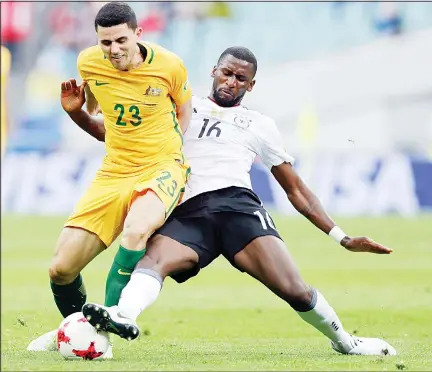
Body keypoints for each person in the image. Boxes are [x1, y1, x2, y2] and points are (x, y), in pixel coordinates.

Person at [77, 46, 396, 355]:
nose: (231, 82)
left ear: (251, 85)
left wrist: (342, 238)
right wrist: (75, 111)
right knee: (152, 262)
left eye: (240, 78)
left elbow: (295, 190)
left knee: (294, 290)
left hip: (238, 208)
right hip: (190, 212)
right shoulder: (177, 107)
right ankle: (124, 317)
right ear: (213, 71)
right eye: (226, 73)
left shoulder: (260, 125)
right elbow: (113, 133)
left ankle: (345, 342)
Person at [27, 2, 192, 353]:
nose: (114, 50)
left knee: (135, 231)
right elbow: (100, 129)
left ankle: (109, 319)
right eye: (106, 43)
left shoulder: (169, 66)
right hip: (114, 170)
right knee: (60, 269)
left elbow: (183, 108)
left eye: (121, 40)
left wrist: (179, 154)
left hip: (161, 166)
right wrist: (74, 113)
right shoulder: (88, 63)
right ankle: (78, 330)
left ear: (138, 34)